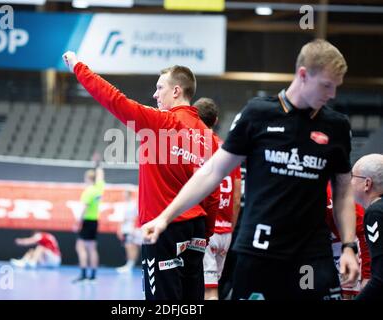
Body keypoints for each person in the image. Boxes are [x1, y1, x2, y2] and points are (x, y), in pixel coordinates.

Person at [142, 39, 360, 300]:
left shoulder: (336, 126)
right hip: (258, 252)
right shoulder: (258, 115)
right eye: (326, 85)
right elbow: (211, 172)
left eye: (336, 86)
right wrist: (165, 217)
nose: (332, 94)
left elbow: (344, 192)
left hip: (312, 255)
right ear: (303, 75)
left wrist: (349, 246)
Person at [63, 51, 219, 300]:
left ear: (176, 91)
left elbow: (114, 99)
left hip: (164, 229)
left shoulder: (161, 122)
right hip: (196, 231)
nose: (155, 94)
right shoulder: (208, 136)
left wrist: (78, 67)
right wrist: (206, 232)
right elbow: (213, 192)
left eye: (160, 88)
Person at [194, 97, 242, 300]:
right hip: (226, 231)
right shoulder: (229, 150)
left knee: (207, 291)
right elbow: (237, 196)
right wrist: (230, 227)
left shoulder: (195, 148)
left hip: (206, 230)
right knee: (213, 287)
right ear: (216, 120)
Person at [325, 182, 371, 298]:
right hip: (316, 246)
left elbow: (363, 234)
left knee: (346, 289)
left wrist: (367, 275)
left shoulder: (336, 198)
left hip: (347, 240)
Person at [352, 154, 383, 300]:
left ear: (367, 183)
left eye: (353, 176)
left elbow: (380, 278)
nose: (349, 182)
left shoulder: (375, 213)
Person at [73, 161, 105, 283]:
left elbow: (84, 208)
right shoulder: (99, 189)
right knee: (92, 248)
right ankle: (93, 276)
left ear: (87, 178)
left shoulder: (88, 191)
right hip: (95, 221)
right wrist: (98, 165)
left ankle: (83, 275)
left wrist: (77, 223)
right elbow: (101, 176)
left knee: (80, 247)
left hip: (87, 221)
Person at [116, 190, 141, 273]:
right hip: (125, 228)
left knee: (131, 246)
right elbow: (122, 218)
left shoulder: (133, 204)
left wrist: (134, 228)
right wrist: (120, 229)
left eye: (125, 194)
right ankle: (129, 264)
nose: (124, 195)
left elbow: (136, 217)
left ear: (129, 194)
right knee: (127, 246)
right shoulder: (124, 205)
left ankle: (130, 265)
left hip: (131, 229)